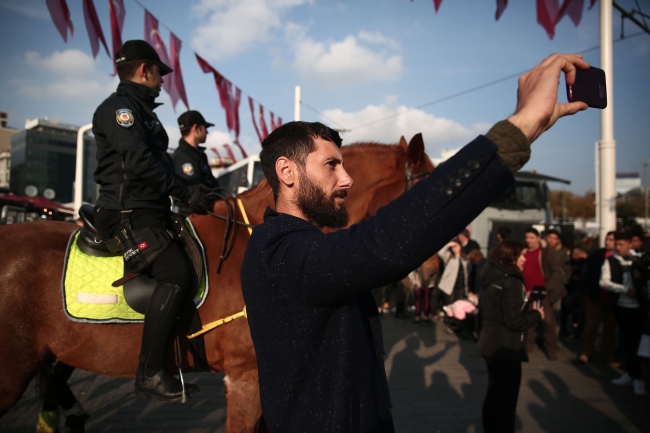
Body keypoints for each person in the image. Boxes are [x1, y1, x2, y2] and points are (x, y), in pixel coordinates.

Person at [240, 53, 590, 432]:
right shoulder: (279, 251)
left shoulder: (297, 248)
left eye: (344, 164)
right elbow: (385, 244)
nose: (347, 179)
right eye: (331, 165)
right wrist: (519, 129)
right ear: (286, 172)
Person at [92, 40, 213, 401]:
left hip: (150, 210)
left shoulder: (142, 111)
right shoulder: (120, 111)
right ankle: (148, 373)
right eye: (160, 73)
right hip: (127, 213)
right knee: (176, 273)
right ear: (145, 70)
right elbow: (140, 162)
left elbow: (156, 163)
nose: (162, 80)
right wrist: (186, 193)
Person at [477, 240, 543, 433]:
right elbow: (514, 321)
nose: (524, 259)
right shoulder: (511, 281)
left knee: (493, 396)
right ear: (510, 257)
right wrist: (536, 315)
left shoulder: (492, 276)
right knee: (506, 402)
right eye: (521, 255)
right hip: (506, 348)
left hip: (489, 344)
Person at [600, 232, 648, 396]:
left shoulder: (640, 259)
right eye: (616, 244)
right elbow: (604, 282)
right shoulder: (611, 260)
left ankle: (637, 378)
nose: (618, 247)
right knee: (625, 340)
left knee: (637, 343)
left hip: (639, 308)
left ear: (630, 244)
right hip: (621, 306)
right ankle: (630, 374)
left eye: (621, 244)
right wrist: (624, 290)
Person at [523, 227, 566, 360]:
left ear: (538, 238)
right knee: (528, 320)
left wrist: (547, 288)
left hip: (543, 292)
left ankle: (551, 348)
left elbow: (557, 272)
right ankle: (528, 345)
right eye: (527, 238)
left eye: (531, 238)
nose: (529, 241)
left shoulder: (547, 252)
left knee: (548, 321)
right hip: (527, 292)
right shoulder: (523, 252)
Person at [579, 231, 618, 364]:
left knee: (610, 329)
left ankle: (607, 355)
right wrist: (586, 292)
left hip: (612, 298)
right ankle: (587, 352)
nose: (608, 242)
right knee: (591, 326)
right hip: (594, 296)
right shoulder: (595, 254)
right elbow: (586, 274)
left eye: (611, 240)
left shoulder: (619, 257)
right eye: (607, 239)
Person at [438, 239, 471, 307]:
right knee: (450, 307)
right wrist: (449, 244)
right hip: (450, 287)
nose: (454, 248)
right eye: (453, 247)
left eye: (456, 246)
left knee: (459, 307)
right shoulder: (449, 256)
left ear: (460, 246)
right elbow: (440, 253)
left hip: (461, 287)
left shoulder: (464, 258)